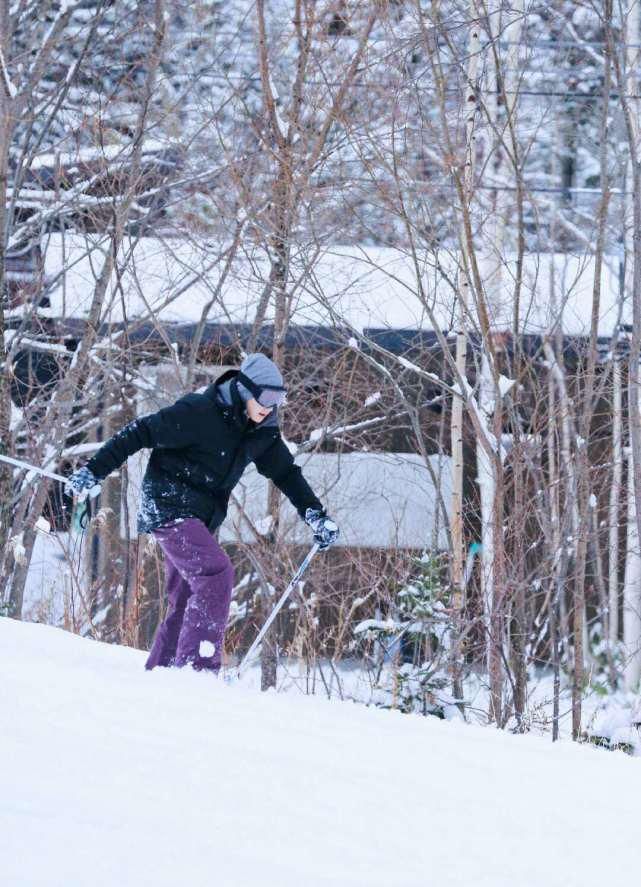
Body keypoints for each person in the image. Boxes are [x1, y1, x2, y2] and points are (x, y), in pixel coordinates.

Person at [67, 353, 339, 673]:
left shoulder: (261, 431)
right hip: (168, 503)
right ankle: (197, 671)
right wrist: (94, 471)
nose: (270, 406)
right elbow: (139, 431)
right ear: (244, 389)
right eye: (266, 397)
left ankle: (162, 673)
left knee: (185, 596)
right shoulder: (198, 412)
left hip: (201, 517)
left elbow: (287, 474)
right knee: (215, 574)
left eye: (278, 398)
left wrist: (315, 515)